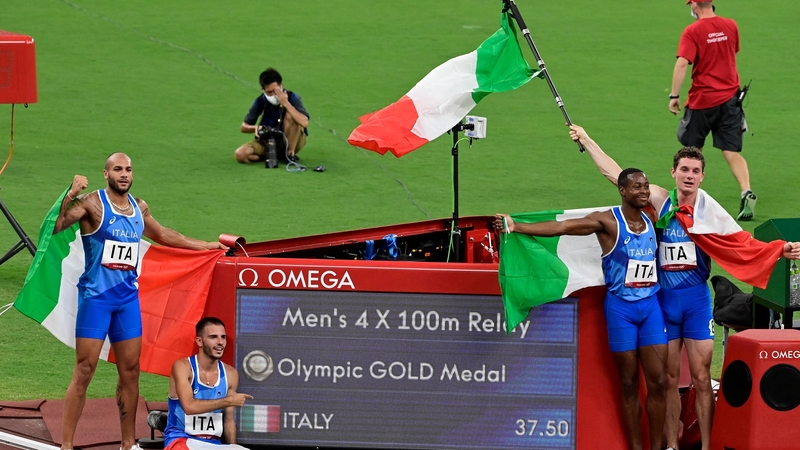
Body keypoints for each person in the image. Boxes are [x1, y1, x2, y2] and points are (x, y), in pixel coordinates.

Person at [570, 124, 800, 450]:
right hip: (664, 303)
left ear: (702, 176)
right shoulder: (660, 200)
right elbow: (615, 174)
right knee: (666, 382)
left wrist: (780, 249)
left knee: (703, 377)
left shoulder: (711, 213)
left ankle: (707, 446)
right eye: (684, 170)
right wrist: (587, 139)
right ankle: (670, 446)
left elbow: (743, 244)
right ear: (674, 173)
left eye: (695, 171)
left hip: (696, 303)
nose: (689, 176)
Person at [53, 153, 228, 450]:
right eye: (117, 169)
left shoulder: (138, 207)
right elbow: (55, 228)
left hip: (126, 303)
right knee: (84, 369)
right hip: (96, 300)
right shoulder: (91, 205)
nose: (124, 174)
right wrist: (70, 194)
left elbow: (163, 234)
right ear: (105, 174)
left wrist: (208, 245)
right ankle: (67, 445)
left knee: (131, 372)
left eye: (128, 169)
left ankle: (127, 443)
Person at [496, 169, 667, 450]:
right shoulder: (608, 221)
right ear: (622, 191)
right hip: (621, 310)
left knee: (658, 381)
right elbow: (563, 228)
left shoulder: (652, 219)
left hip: (650, 308)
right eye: (637, 187)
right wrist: (516, 227)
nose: (644, 191)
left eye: (646, 186)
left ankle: (658, 447)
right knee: (628, 383)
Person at [669, 0, 756, 221]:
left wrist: (674, 95)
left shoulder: (693, 31)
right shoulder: (730, 25)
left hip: (702, 100)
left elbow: (682, 63)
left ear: (694, 5)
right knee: (731, 151)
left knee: (692, 152)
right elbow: (732, 51)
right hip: (729, 99)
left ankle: (685, 199)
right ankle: (746, 190)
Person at [163, 317, 252, 450]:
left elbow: (228, 421)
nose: (220, 342)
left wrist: (233, 446)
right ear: (199, 341)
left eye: (223, 337)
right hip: (181, 440)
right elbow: (189, 407)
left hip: (213, 445)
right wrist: (229, 401)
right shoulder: (183, 367)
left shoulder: (231, 374)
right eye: (213, 337)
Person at [234, 67, 310, 165]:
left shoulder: (292, 97)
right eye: (269, 92)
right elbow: (243, 127)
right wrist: (256, 128)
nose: (274, 95)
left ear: (282, 86)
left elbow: (304, 122)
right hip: (268, 141)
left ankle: (290, 154)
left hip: (291, 139)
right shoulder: (260, 101)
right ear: (263, 90)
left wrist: (286, 103)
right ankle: (273, 155)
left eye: (276, 91)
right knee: (240, 154)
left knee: (291, 116)